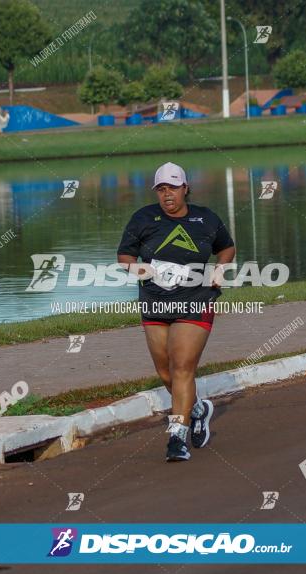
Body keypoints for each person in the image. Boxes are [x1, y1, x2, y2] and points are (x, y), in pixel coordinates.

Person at [117, 162, 236, 461]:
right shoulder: (144, 218)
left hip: (196, 299)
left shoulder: (206, 219)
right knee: (165, 370)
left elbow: (227, 247)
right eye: (161, 189)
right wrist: (140, 268)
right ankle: (198, 409)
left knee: (182, 366)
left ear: (186, 188)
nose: (167, 194)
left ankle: (177, 437)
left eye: (172, 187)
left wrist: (220, 268)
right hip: (155, 300)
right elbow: (124, 256)